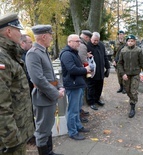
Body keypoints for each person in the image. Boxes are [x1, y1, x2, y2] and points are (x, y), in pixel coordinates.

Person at [25, 25, 65, 155]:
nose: (51, 38)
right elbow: (38, 80)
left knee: (48, 126)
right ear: (44, 36)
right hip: (43, 97)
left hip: (49, 96)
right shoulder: (33, 53)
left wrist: (60, 86)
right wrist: (55, 93)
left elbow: (51, 74)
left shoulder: (43, 51)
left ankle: (49, 152)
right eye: (50, 35)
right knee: (42, 130)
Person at [0, 12, 34, 154]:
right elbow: (1, 105)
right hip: (12, 137)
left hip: (18, 129)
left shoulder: (9, 54)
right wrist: (12, 140)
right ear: (9, 31)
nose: (20, 33)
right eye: (18, 30)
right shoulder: (2, 57)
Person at [59, 34, 91, 140]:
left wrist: (83, 67)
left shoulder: (73, 52)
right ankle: (72, 132)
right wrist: (85, 70)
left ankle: (78, 126)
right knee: (72, 110)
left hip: (78, 83)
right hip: (72, 85)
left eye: (79, 41)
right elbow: (71, 69)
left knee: (77, 108)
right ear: (70, 42)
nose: (79, 43)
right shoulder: (66, 54)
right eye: (77, 41)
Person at [117, 34, 143, 118]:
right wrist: (123, 73)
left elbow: (142, 62)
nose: (130, 42)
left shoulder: (138, 50)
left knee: (133, 91)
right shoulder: (123, 51)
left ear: (135, 42)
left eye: (132, 41)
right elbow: (119, 64)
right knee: (127, 90)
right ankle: (132, 100)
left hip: (135, 74)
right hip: (126, 75)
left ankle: (132, 106)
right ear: (126, 42)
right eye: (128, 41)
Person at [86, 32, 110, 110]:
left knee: (100, 86)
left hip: (100, 70)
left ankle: (97, 99)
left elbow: (105, 57)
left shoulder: (101, 45)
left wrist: (108, 67)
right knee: (91, 87)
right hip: (92, 71)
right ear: (91, 39)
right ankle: (91, 102)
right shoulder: (87, 45)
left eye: (97, 40)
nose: (95, 42)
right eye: (94, 40)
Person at [77, 30, 93, 123]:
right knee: (80, 95)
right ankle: (79, 113)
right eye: (89, 38)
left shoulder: (80, 44)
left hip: (79, 72)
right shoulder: (82, 45)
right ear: (86, 37)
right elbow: (83, 60)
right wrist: (88, 69)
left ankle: (80, 111)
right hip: (81, 73)